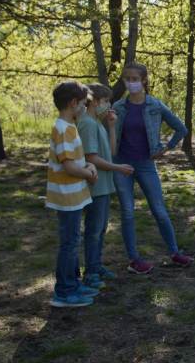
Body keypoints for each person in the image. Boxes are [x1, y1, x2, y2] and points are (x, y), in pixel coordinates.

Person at [112, 62, 193, 274]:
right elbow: (108, 134)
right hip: (122, 165)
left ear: (144, 80)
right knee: (128, 212)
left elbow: (181, 128)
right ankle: (134, 260)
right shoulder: (118, 107)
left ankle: (175, 253)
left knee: (159, 211)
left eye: (134, 79)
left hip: (146, 164)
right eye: (126, 79)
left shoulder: (155, 105)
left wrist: (167, 147)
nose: (130, 83)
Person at [46, 81, 100, 307]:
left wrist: (88, 165)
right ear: (73, 103)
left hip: (73, 196)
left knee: (72, 241)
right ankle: (65, 292)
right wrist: (87, 172)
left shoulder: (69, 126)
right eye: (82, 103)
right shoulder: (63, 128)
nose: (84, 107)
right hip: (67, 197)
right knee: (69, 244)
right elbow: (69, 167)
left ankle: (73, 284)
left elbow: (74, 160)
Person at [77, 83, 134, 287]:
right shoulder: (87, 124)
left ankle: (96, 265)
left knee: (100, 229)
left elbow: (110, 151)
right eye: (106, 100)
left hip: (103, 185)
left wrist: (111, 126)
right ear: (95, 101)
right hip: (95, 186)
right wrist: (118, 169)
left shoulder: (97, 122)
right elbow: (91, 158)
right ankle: (90, 272)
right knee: (93, 229)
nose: (109, 104)